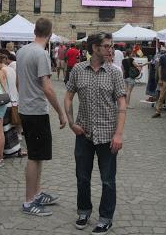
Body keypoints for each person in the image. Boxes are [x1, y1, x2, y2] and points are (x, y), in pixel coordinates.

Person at [64, 32, 127, 235]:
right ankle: (83, 211)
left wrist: (119, 134)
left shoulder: (115, 72)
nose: (111, 50)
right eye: (107, 46)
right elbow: (68, 96)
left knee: (108, 180)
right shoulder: (78, 70)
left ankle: (105, 218)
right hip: (84, 134)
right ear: (94, 48)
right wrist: (72, 123)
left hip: (108, 135)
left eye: (111, 46)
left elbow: (122, 104)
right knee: (82, 176)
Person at [16, 17, 67, 217]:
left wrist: (22, 100)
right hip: (36, 111)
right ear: (50, 32)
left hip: (26, 108)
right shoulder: (41, 54)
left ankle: (36, 194)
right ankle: (29, 202)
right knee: (35, 156)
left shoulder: (21, 52)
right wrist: (61, 112)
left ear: (35, 31)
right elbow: (47, 88)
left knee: (38, 155)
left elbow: (20, 83)